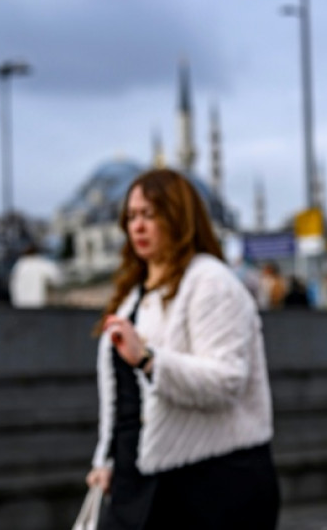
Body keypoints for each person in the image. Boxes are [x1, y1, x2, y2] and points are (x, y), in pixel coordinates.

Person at [85, 168, 279, 530]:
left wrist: (148, 359)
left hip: (211, 483)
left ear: (178, 217)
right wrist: (105, 460)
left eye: (150, 214)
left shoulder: (211, 283)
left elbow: (226, 381)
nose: (138, 226)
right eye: (131, 216)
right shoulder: (133, 296)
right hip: (136, 481)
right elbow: (122, 398)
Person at [8, 243, 63, 308]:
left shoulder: (19, 265)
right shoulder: (41, 263)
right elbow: (58, 278)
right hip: (36, 303)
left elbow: (12, 283)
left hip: (19, 303)